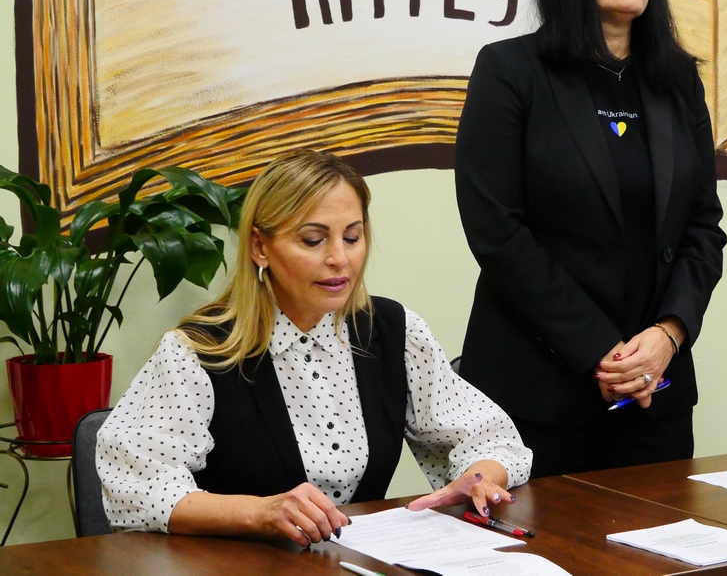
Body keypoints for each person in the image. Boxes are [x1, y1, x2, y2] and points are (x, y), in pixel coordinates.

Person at [96, 150, 532, 546]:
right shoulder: (197, 351)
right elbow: (137, 489)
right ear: (260, 247)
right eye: (313, 240)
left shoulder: (395, 332)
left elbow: (490, 437)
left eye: (352, 237)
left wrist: (480, 477)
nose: (339, 258)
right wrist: (259, 513)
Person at [454, 0, 726, 478]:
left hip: (655, 392)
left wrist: (669, 334)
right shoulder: (511, 71)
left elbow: (704, 226)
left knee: (663, 537)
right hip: (537, 394)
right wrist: (600, 352)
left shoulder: (678, 81)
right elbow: (497, 231)